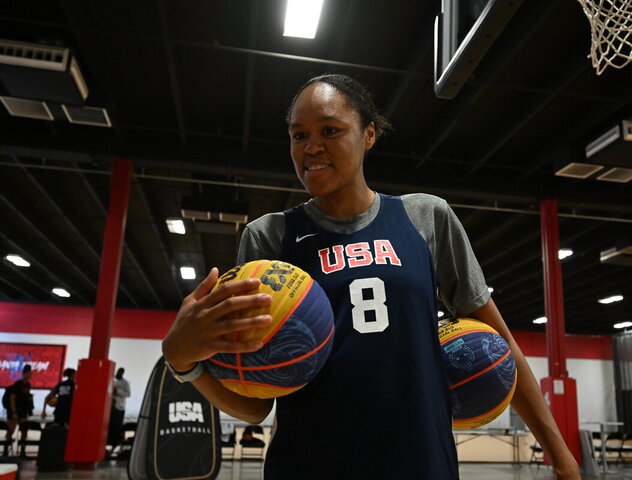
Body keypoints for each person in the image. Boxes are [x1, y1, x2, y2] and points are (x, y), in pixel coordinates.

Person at [162, 74, 581, 479]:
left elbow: (501, 342)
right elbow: (256, 405)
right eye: (298, 135)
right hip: (309, 466)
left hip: (422, 464)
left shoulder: (426, 217)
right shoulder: (269, 236)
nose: (311, 147)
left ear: (369, 135)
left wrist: (562, 457)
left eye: (330, 130)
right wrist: (184, 361)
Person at [3, 365, 33, 450]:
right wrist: (14, 412)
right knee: (11, 430)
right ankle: (5, 450)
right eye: (29, 373)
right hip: (14, 411)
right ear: (24, 374)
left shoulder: (28, 385)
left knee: (24, 430)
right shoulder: (18, 384)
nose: (30, 375)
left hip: (23, 411)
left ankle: (22, 451)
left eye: (31, 374)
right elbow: (12, 399)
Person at [107, 367, 130, 452]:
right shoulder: (112, 380)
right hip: (111, 407)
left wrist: (118, 391)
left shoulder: (125, 383)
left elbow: (128, 394)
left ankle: (117, 443)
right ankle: (110, 442)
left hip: (120, 407)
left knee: (118, 426)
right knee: (111, 425)